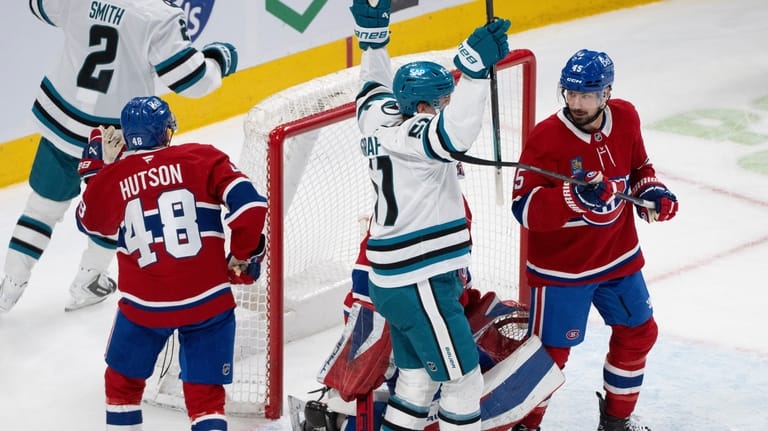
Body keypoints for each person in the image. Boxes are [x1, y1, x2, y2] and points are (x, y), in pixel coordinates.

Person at [0, 0, 238, 312]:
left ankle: (9, 286)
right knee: (114, 211)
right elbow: (191, 81)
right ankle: (89, 279)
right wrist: (219, 60)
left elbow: (38, 6)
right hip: (115, 136)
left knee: (41, 206)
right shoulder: (159, 16)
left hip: (63, 119)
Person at [349, 1, 511, 430]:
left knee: (417, 382)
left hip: (392, 280)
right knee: (462, 384)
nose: (446, 104)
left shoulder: (376, 116)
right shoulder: (416, 136)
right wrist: (474, 72)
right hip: (419, 279)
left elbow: (371, 86)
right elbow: (454, 134)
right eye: (441, 100)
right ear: (421, 107)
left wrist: (374, 41)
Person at [510, 49, 679, 431]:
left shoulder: (627, 117)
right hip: (562, 270)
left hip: (618, 258)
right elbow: (524, 209)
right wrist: (574, 197)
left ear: (606, 93)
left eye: (586, 95)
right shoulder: (546, 138)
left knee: (639, 333)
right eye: (570, 93)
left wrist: (652, 192)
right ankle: (525, 427)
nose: (576, 103)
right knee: (549, 356)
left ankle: (615, 423)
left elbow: (638, 168)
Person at [74, 95, 267, 431]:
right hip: (207, 301)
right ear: (166, 132)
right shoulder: (203, 157)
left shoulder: (115, 177)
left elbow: (90, 223)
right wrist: (242, 253)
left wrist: (96, 173)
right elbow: (251, 207)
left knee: (122, 387)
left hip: (144, 307)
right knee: (206, 398)